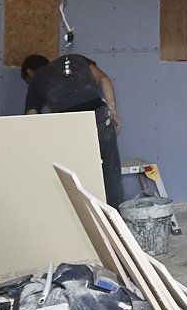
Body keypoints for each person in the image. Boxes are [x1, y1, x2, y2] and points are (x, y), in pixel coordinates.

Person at [21, 52, 126, 206]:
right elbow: (104, 79)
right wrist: (113, 111)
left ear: (30, 72)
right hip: (97, 114)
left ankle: (84, 217)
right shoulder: (75, 58)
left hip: (68, 124)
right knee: (110, 170)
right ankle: (115, 218)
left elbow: (32, 115)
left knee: (76, 171)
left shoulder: (37, 79)